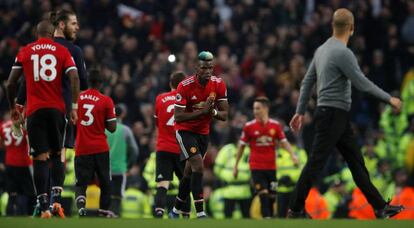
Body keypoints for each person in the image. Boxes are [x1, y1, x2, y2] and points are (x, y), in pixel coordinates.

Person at [288, 8, 404, 219]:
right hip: (333, 114)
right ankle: (295, 209)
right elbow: (362, 83)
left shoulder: (321, 50)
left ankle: (379, 207)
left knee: (356, 163)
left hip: (334, 114)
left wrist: (300, 111)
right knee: (316, 162)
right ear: (351, 28)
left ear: (333, 26)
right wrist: (390, 98)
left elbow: (306, 82)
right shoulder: (343, 53)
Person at [15, 10, 88, 217]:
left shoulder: (33, 50)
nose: (77, 27)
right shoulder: (73, 51)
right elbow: (82, 83)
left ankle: (43, 204)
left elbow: (25, 81)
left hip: (36, 109)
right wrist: (74, 107)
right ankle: (55, 203)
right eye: (74, 23)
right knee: (59, 154)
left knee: (40, 156)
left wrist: (19, 106)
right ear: (61, 26)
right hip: (62, 110)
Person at [169, 51, 229, 219]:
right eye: (204, 68)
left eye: (210, 68)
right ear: (196, 68)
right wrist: (202, 112)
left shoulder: (219, 84)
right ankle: (201, 212)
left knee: (188, 173)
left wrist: (212, 111)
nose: (208, 71)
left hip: (203, 133)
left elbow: (224, 115)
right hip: (184, 130)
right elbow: (178, 116)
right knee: (198, 166)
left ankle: (175, 210)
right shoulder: (185, 86)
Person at [234, 96, 299, 218]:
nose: (255, 111)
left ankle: (269, 217)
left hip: (271, 167)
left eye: (257, 108)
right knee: (262, 194)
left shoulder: (275, 126)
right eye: (254, 108)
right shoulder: (249, 126)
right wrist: (236, 166)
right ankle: (267, 219)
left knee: (272, 196)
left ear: (265, 109)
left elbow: (284, 142)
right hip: (256, 166)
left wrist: (293, 155)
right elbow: (241, 146)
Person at [74, 69, 116, 217]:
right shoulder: (106, 101)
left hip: (82, 147)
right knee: (105, 181)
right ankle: (104, 212)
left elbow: (71, 120)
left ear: (88, 81)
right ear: (101, 83)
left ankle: (81, 207)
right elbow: (112, 128)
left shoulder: (78, 98)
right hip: (100, 147)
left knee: (81, 183)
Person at [153, 71, 188, 218]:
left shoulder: (160, 98)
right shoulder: (187, 101)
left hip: (163, 148)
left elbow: (157, 123)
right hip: (181, 149)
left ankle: (159, 212)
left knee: (163, 184)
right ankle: (186, 215)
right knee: (185, 184)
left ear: (170, 84)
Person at [0, 112, 35, 216]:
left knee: (12, 191)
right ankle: (27, 214)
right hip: (24, 162)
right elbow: (30, 143)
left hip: (9, 162)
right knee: (28, 192)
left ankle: (10, 214)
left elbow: (1, 144)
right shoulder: (24, 126)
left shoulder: (3, 125)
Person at [106, 104, 139, 216]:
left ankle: (105, 217)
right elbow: (134, 150)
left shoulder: (104, 130)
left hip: (104, 169)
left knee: (106, 193)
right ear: (123, 115)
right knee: (117, 195)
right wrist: (129, 165)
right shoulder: (125, 130)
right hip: (120, 169)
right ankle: (115, 216)